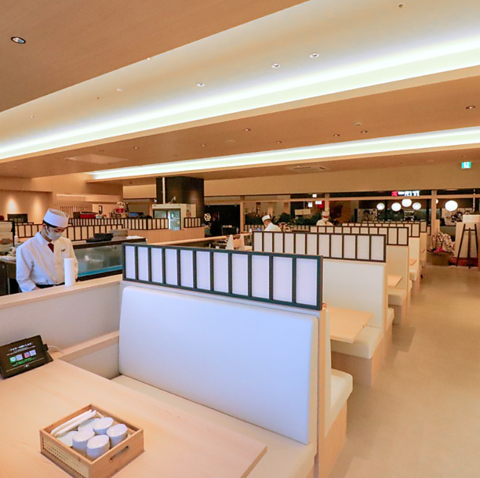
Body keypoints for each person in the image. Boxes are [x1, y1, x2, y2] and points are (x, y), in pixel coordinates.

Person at [16, 209, 78, 292]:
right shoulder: (26, 248)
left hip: (64, 288)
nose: (59, 234)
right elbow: (23, 279)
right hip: (40, 290)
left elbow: (73, 266)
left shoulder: (66, 243)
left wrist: (71, 282)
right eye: (56, 230)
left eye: (62, 231)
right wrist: (39, 292)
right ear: (44, 226)